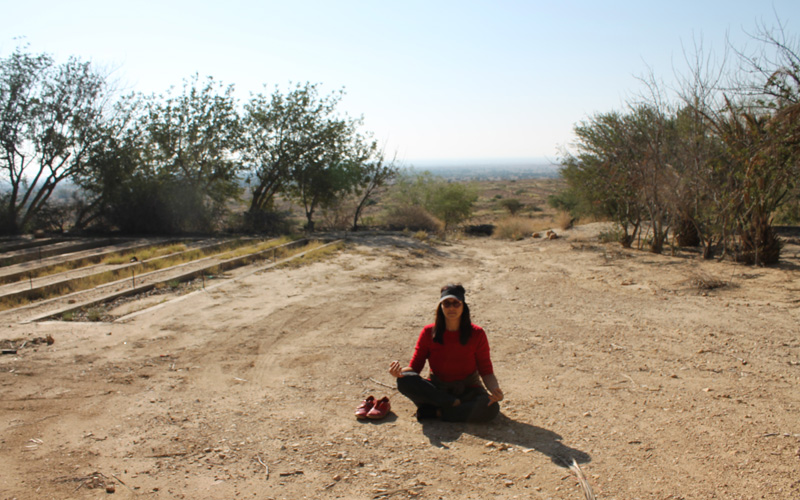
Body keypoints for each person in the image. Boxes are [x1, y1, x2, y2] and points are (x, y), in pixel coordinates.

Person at [389, 284, 503, 422]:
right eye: (447, 304)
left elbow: (486, 370)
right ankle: (452, 405)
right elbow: (415, 367)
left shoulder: (477, 333)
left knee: (491, 408)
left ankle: (437, 412)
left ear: (463, 306)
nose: (451, 308)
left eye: (456, 303)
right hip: (437, 391)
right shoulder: (428, 332)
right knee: (404, 380)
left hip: (468, 389)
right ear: (441, 307)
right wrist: (399, 373)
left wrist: (495, 389)